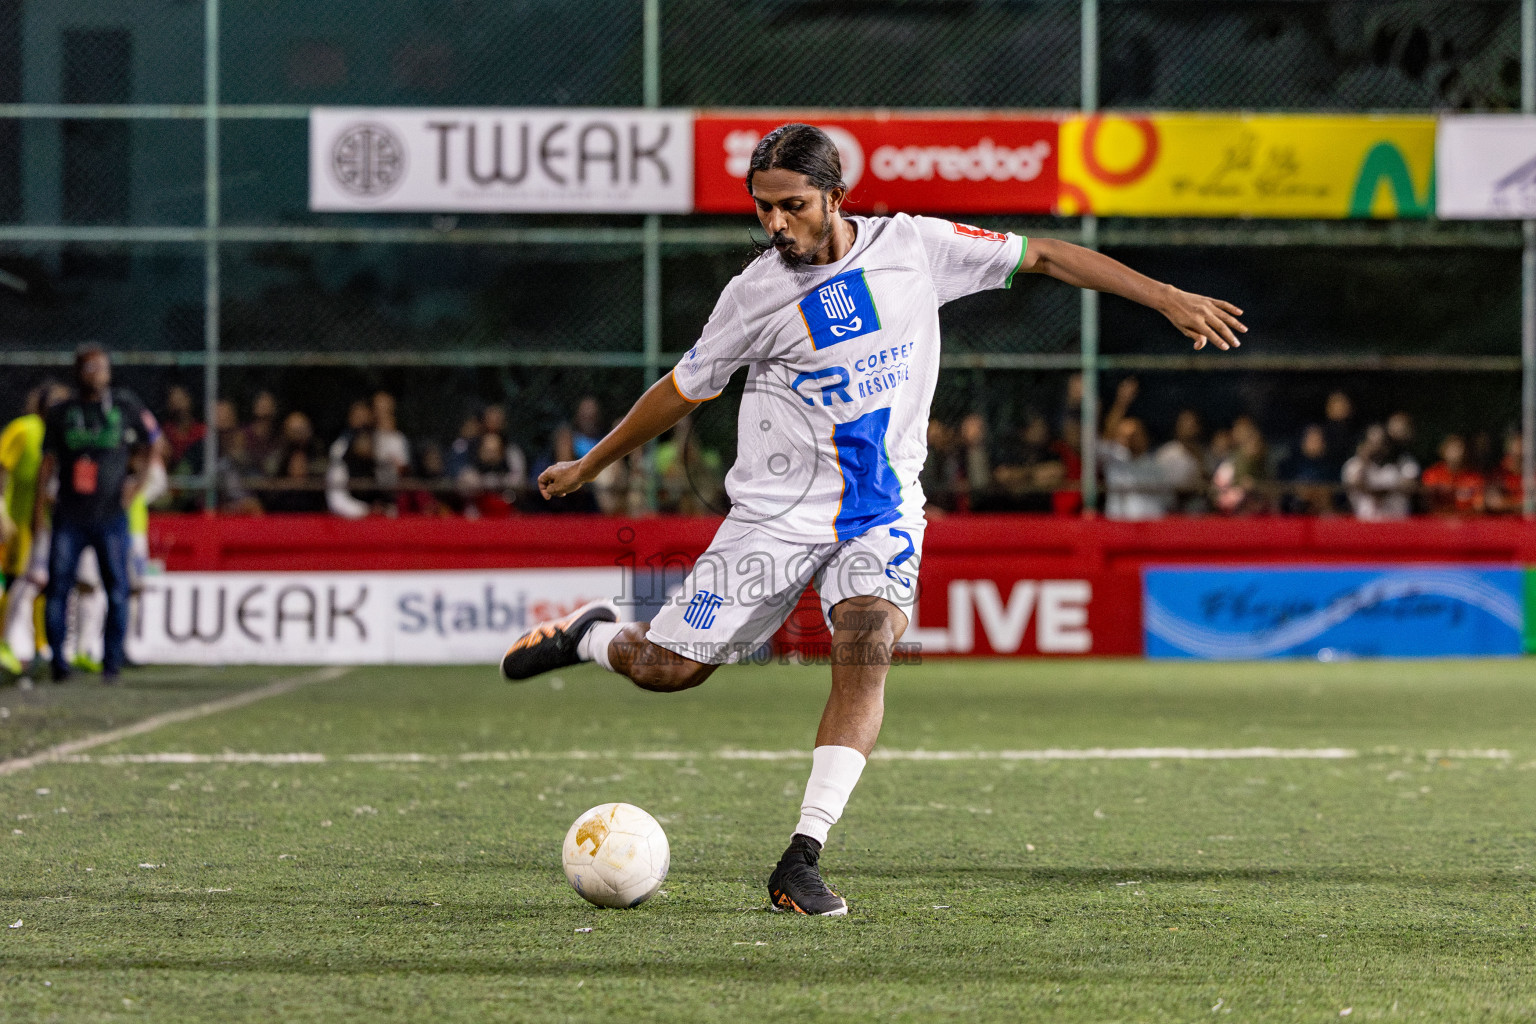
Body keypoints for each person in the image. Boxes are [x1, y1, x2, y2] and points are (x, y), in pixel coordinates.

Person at [496, 124, 1245, 915]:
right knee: (667, 669)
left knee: (868, 645)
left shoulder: (915, 247)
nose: (776, 223)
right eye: (762, 208)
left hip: (882, 512)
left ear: (836, 196)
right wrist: (591, 464)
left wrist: (1166, 297)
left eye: (792, 205)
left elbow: (1048, 256)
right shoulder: (754, 294)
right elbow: (684, 389)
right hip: (775, 520)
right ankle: (592, 635)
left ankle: (801, 856)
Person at [31, 346, 159, 684]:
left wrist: (137, 483)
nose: (98, 373)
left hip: (111, 515)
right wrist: (38, 511)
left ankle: (111, 662)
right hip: (69, 514)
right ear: (78, 371)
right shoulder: (61, 413)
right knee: (59, 588)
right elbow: (47, 462)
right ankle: (59, 663)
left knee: (117, 588)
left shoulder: (124, 405)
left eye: (102, 366)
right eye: (90, 367)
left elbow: (151, 442)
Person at [0, 380, 71, 675]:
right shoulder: (24, 428)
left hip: (46, 523)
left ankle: (40, 646)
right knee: (14, 581)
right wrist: (1, 510)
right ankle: (4, 643)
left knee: (40, 584)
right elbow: (2, 467)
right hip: (17, 519)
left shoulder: (63, 434)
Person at [1099, 378, 1172, 521]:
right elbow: (1107, 438)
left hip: (1151, 528)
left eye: (1134, 435)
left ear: (1144, 437)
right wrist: (1121, 402)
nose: (1130, 439)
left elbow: (1169, 501)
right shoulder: (1114, 460)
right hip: (1118, 527)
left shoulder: (1157, 466)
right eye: (1125, 436)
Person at [1342, 423, 1418, 521]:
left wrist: (1385, 492)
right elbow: (1354, 484)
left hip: (1397, 520)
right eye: (1372, 443)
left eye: (1381, 443)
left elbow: (1410, 485)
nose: (1377, 447)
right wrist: (1364, 461)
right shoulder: (1354, 464)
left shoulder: (1403, 462)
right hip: (1365, 521)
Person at [1421, 434, 1485, 515]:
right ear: (1443, 451)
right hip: (1437, 519)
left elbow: (1479, 506)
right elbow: (1426, 501)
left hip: (1467, 519)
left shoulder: (1474, 477)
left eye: (1460, 448)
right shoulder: (1432, 474)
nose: (1457, 453)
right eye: (1452, 449)